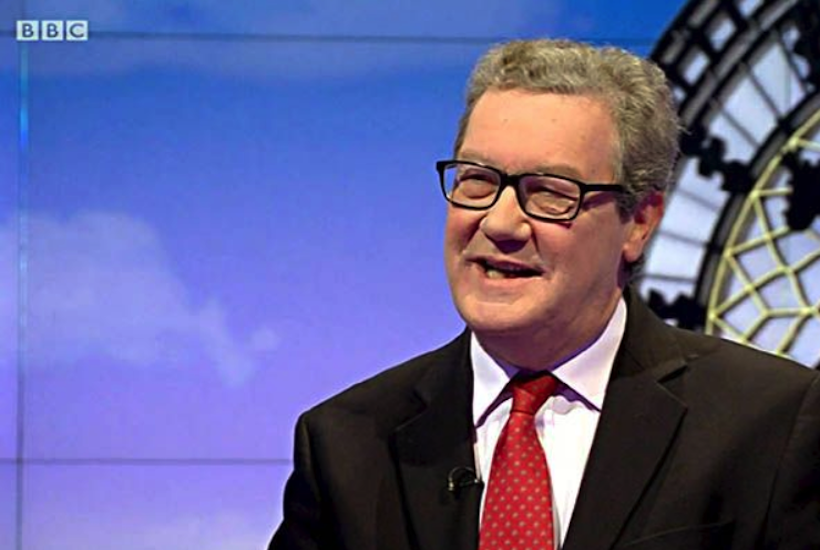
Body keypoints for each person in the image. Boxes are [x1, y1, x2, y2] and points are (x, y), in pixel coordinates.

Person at [269, 39, 820, 550]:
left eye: (551, 193)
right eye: (478, 181)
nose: (499, 223)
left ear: (639, 221)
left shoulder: (770, 425)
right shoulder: (345, 443)